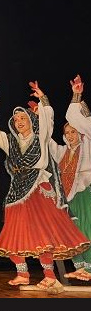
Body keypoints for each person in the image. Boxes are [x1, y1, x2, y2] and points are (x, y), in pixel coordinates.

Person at [0, 80, 90, 289]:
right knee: (14, 232)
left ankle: (50, 275)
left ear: (31, 121)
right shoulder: (11, 142)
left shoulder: (40, 139)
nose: (19, 121)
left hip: (38, 191)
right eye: (16, 119)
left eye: (23, 117)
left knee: (43, 234)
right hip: (16, 194)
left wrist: (42, 99)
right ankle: (22, 274)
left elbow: (47, 121)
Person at [49, 75, 91, 281]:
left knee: (85, 228)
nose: (72, 135)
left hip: (85, 192)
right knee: (72, 232)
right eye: (68, 132)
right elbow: (45, 143)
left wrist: (76, 95)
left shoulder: (87, 146)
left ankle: (89, 268)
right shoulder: (63, 152)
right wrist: (42, 110)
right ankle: (80, 266)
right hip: (67, 197)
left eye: (74, 131)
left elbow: (79, 119)